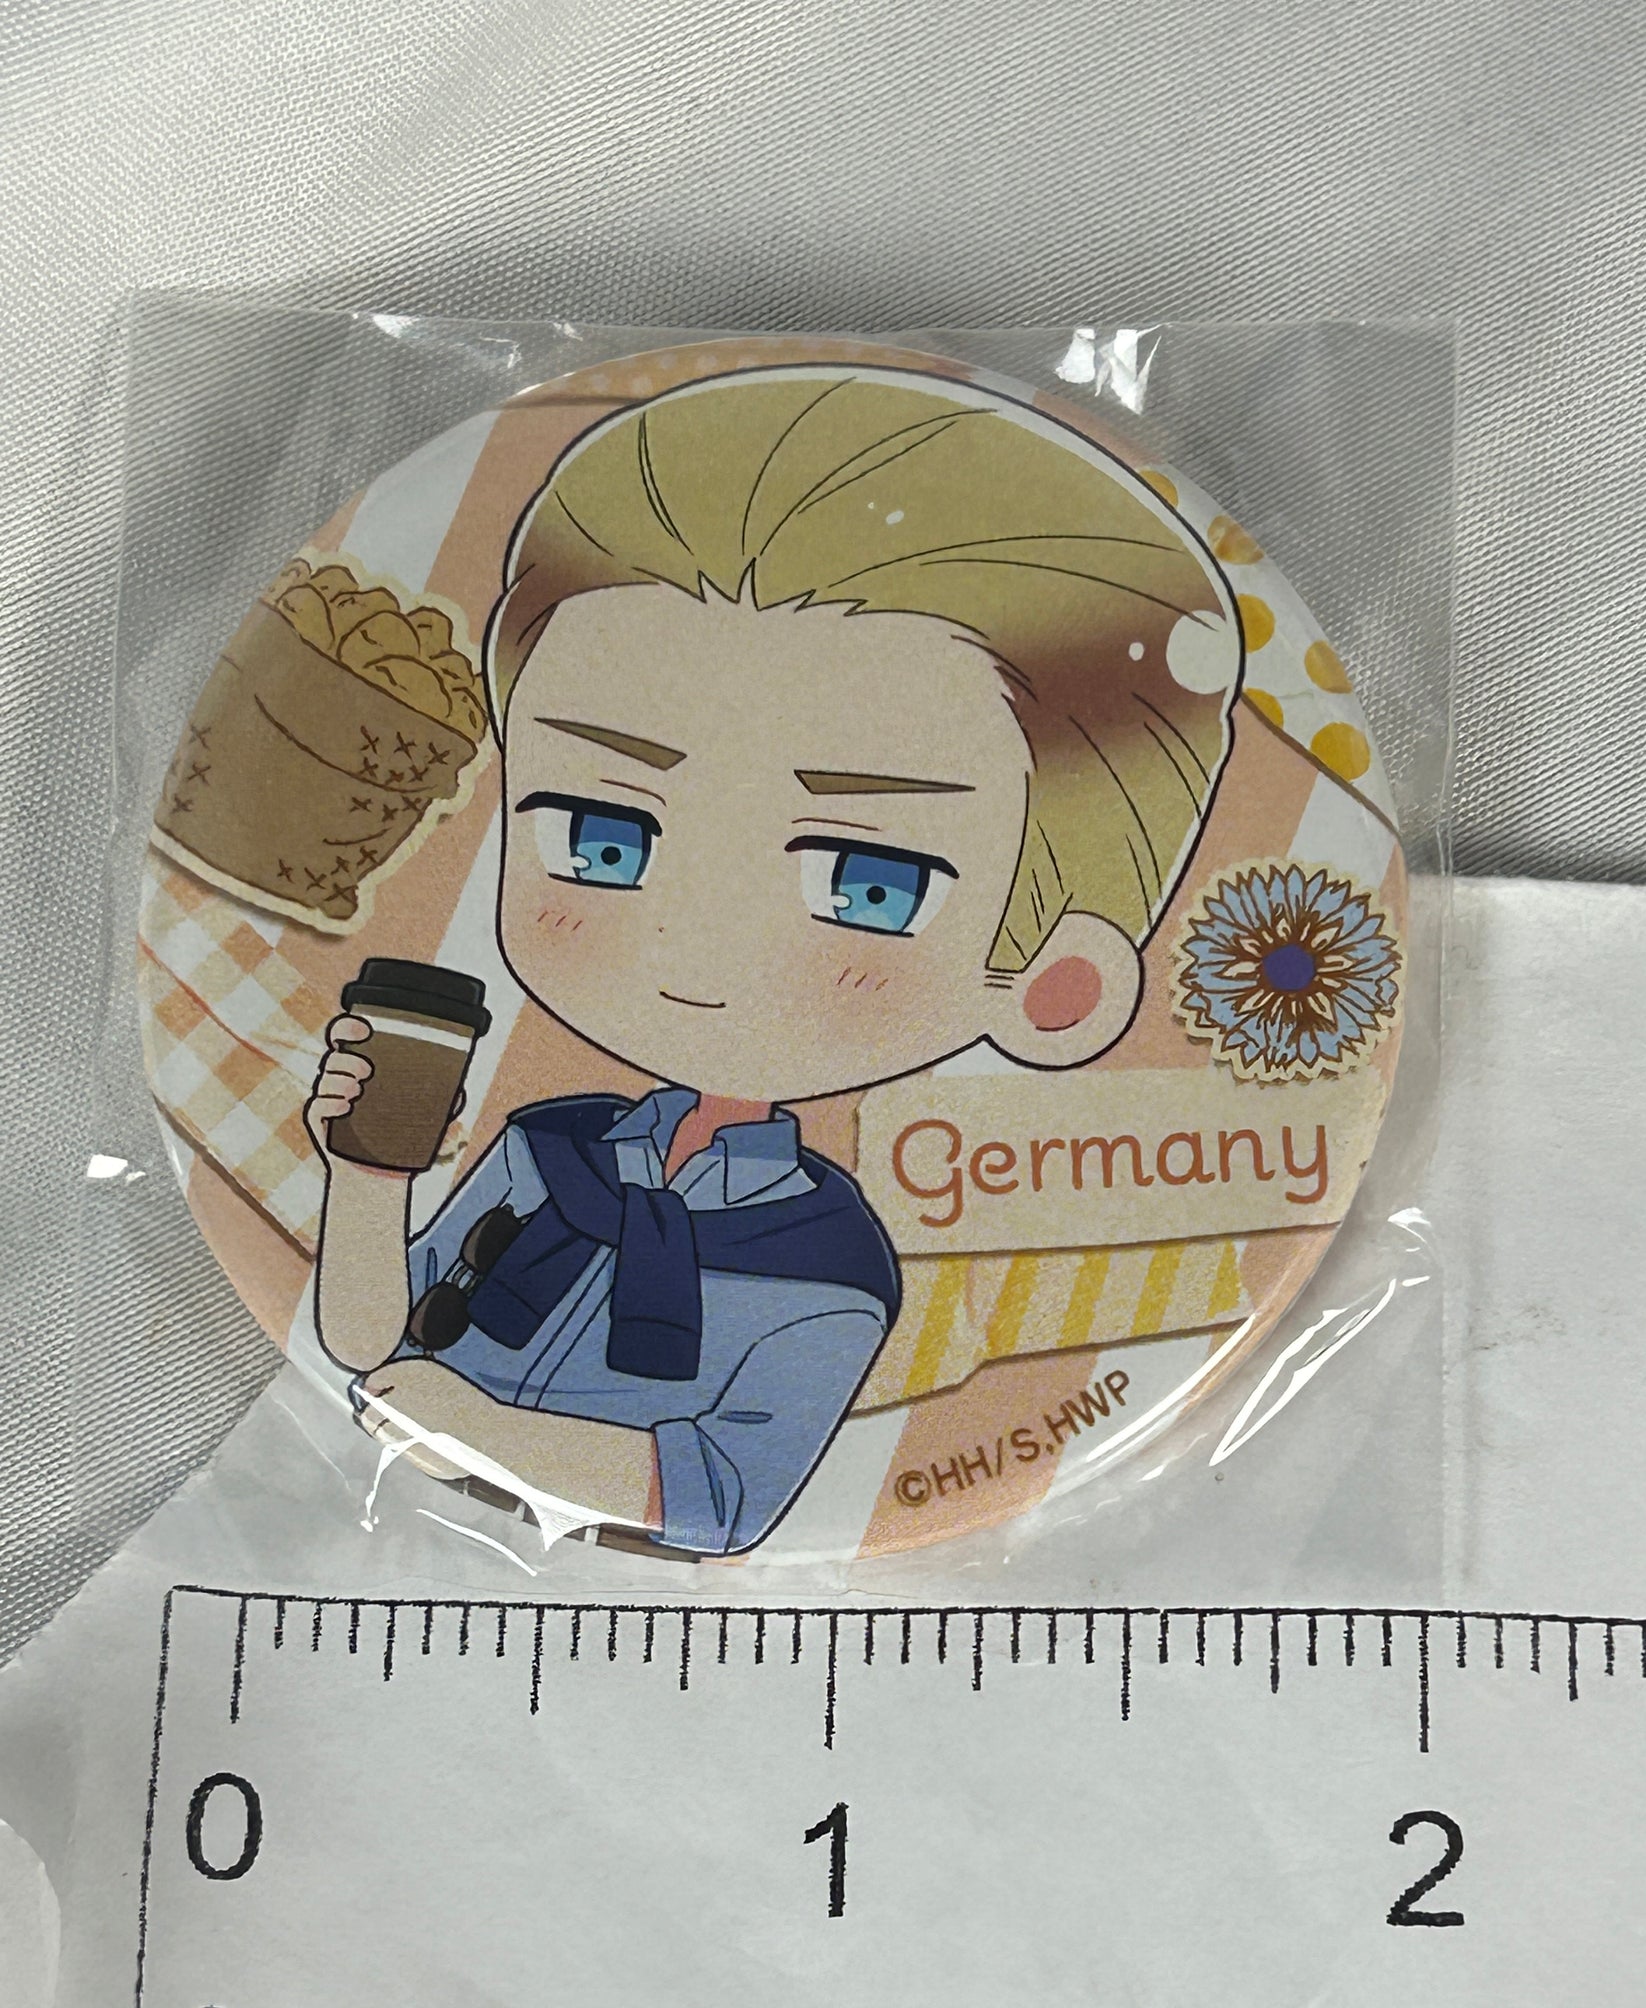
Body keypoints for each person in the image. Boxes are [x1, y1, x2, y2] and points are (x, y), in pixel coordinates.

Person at [304, 362, 1245, 1552]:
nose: (696, 945)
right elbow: (367, 1345)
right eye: (601, 836)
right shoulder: (548, 1149)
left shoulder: (829, 1267)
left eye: (866, 884)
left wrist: (491, 1436)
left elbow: (727, 1502)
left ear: (1054, 990)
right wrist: (365, 1177)